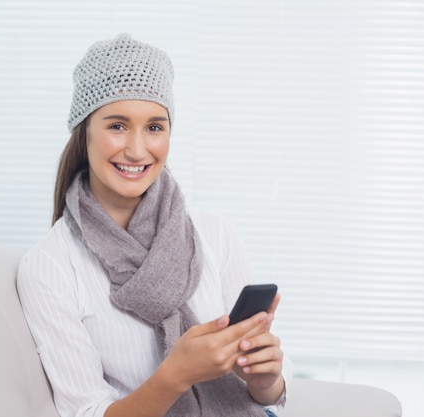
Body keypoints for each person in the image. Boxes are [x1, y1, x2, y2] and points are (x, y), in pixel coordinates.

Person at [17, 33, 292, 417]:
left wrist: (265, 380)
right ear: (84, 133)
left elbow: (268, 392)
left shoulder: (216, 234)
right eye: (117, 125)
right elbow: (87, 412)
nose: (137, 149)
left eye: (154, 127)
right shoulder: (49, 266)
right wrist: (175, 375)